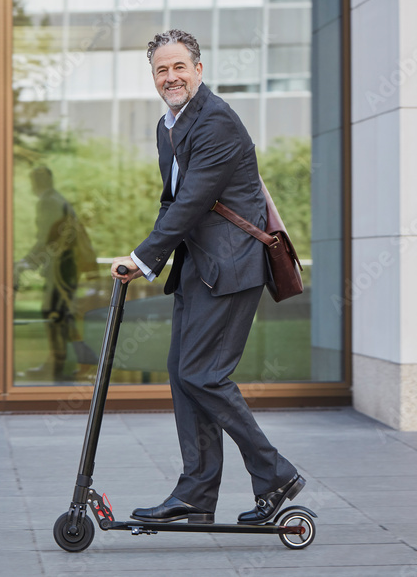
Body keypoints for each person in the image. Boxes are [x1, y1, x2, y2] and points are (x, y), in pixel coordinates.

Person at [111, 29, 304, 526]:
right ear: (153, 77)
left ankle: (275, 473)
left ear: (199, 69)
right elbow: (172, 203)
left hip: (232, 268)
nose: (170, 77)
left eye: (179, 67)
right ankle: (196, 492)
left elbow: (195, 201)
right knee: (184, 374)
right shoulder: (168, 125)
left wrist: (143, 256)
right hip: (199, 268)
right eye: (161, 70)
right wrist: (143, 257)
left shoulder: (216, 121)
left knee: (204, 374)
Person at [19, 166, 97, 382]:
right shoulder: (57, 199)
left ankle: (68, 365)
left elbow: (46, 239)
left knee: (55, 315)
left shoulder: (49, 202)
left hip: (61, 269)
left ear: (36, 182)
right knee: (63, 317)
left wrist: (27, 263)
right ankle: (68, 363)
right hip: (65, 266)